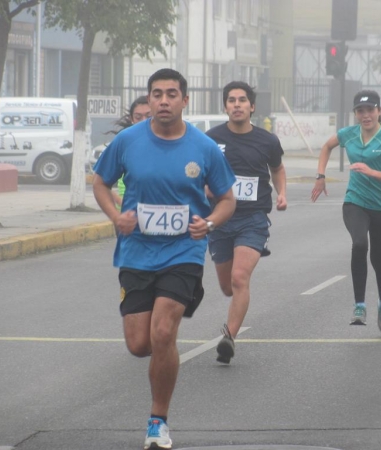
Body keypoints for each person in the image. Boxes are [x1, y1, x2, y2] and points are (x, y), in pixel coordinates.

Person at [92, 68, 236, 449]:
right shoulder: (127, 141)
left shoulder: (203, 148)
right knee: (140, 344)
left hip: (183, 251)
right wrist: (115, 215)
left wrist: (209, 222)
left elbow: (227, 199)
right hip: (137, 252)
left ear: (185, 100)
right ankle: (164, 345)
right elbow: (100, 182)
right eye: (157, 94)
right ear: (149, 99)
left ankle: (158, 421)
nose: (164, 101)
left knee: (162, 331)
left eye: (172, 94)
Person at [205, 81, 287, 364]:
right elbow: (199, 174)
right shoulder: (210, 139)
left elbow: (277, 169)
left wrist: (282, 193)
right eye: (231, 100)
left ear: (252, 106)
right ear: (225, 106)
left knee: (240, 278)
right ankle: (231, 322)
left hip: (253, 219)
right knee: (228, 286)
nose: (237, 104)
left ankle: (229, 337)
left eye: (242, 100)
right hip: (219, 219)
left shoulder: (267, 141)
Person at [311, 90, 381, 331]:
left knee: (379, 260)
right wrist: (320, 176)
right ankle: (359, 305)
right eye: (361, 111)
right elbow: (327, 147)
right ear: (356, 114)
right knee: (359, 244)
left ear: (379, 112)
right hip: (355, 202)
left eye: (370, 110)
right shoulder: (348, 134)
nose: (366, 115)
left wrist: (370, 171)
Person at [106, 96, 152, 208]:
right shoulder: (123, 144)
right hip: (128, 216)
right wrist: (121, 203)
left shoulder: (167, 145)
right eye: (138, 117)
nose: (143, 121)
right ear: (132, 119)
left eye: (149, 116)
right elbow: (100, 182)